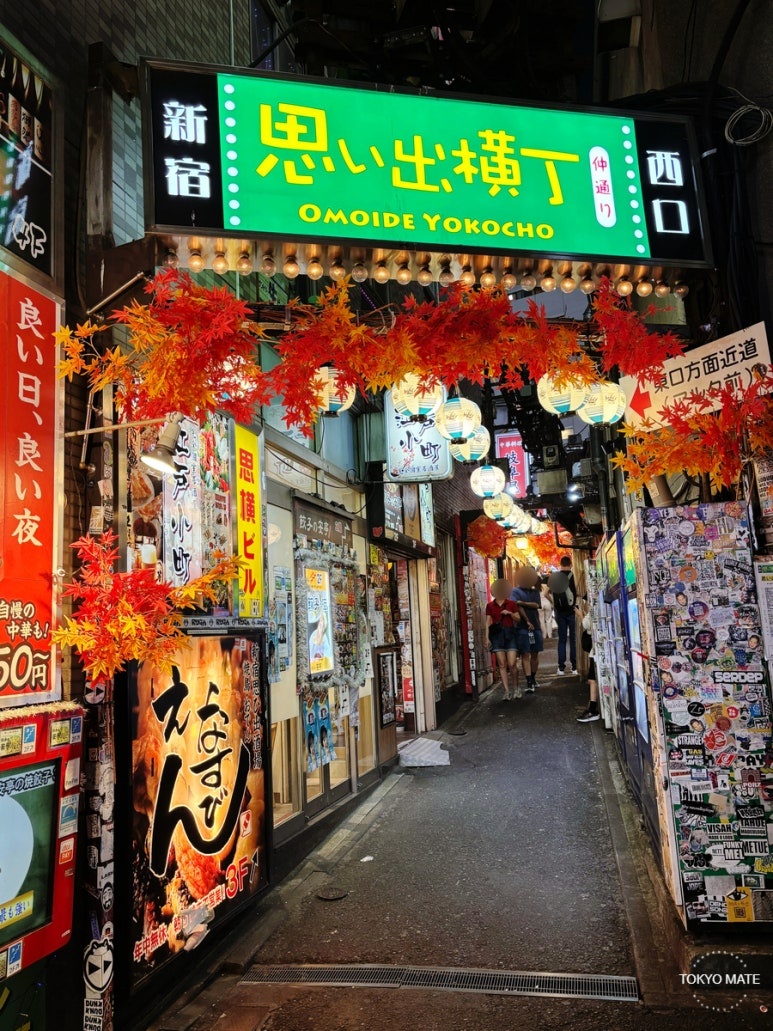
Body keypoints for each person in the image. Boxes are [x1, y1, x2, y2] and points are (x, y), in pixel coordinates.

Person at [485, 578, 522, 700]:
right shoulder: (490, 605)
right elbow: (487, 622)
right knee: (501, 664)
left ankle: (516, 687)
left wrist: (510, 613)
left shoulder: (511, 604)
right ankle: (506, 691)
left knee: (512, 664)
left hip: (510, 634)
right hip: (496, 636)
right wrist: (487, 638)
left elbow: (518, 619)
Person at [511, 566, 544, 693]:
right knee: (525, 653)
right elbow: (516, 606)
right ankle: (529, 681)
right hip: (523, 628)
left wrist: (522, 603)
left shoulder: (534, 591)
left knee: (535, 653)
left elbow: (536, 605)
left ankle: (533, 678)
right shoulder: (515, 591)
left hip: (535, 627)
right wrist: (527, 620)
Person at [549, 556, 578, 674]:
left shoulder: (554, 577)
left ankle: (561, 668)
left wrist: (554, 602)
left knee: (562, 639)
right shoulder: (573, 576)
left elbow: (546, 593)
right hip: (572, 611)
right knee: (573, 639)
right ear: (570, 564)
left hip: (559, 612)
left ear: (560, 564)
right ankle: (574, 667)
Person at [577, 602, 600, 722]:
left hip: (596, 651)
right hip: (598, 650)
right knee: (592, 679)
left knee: (592, 680)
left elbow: (586, 624)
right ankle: (592, 707)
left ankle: (592, 710)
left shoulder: (594, 606)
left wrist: (581, 615)